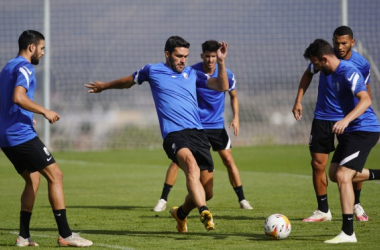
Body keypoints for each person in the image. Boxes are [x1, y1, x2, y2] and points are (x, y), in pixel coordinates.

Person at [85, 36, 229, 232]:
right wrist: (104, 86)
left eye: (185, 56)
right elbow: (128, 81)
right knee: (190, 164)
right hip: (174, 135)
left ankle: (181, 214)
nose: (182, 60)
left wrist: (221, 62)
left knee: (207, 191)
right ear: (167, 54)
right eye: (179, 56)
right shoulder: (152, 70)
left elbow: (222, 86)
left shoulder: (192, 73)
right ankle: (204, 211)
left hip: (197, 133)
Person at [0, 30, 93, 247]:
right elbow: (18, 97)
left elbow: (7, 101)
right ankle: (66, 235)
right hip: (19, 135)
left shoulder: (7, 67)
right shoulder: (25, 67)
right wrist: (44, 111)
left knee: (33, 179)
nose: (42, 53)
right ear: (31, 47)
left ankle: (24, 236)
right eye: (41, 48)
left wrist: (24, 116)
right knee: (56, 175)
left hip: (5, 136)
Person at [153, 40, 252, 212]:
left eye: (214, 56)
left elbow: (232, 95)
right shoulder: (192, 72)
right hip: (195, 125)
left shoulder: (226, 73)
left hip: (216, 125)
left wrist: (236, 117)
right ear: (202, 56)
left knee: (228, 159)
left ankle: (242, 199)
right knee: (178, 161)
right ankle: (163, 199)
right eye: (208, 56)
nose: (211, 60)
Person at [303, 38, 380, 243]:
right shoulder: (332, 71)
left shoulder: (348, 71)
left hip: (364, 130)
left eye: (316, 63)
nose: (315, 68)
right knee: (334, 174)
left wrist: (345, 120)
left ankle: (348, 232)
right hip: (353, 129)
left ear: (324, 59)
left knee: (344, 176)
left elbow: (366, 99)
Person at [292, 26, 371, 222]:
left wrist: (362, 115)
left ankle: (356, 204)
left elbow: (365, 92)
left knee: (351, 166)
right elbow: (308, 73)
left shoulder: (361, 64)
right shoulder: (324, 57)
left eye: (344, 43)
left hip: (347, 118)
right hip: (323, 117)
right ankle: (323, 210)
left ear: (352, 42)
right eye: (337, 42)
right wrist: (298, 100)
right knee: (318, 164)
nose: (340, 46)